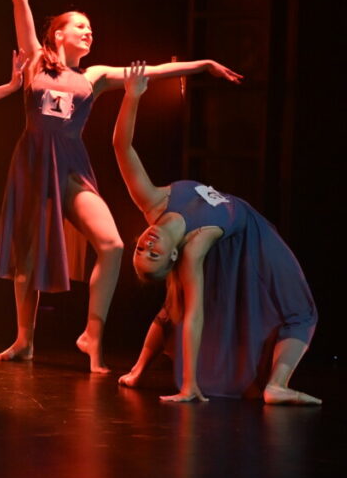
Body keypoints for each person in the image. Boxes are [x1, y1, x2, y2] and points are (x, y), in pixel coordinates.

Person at [0, 0, 243, 373]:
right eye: (80, 26)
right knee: (27, 256)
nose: (89, 32)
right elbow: (20, 1)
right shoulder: (35, 64)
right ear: (58, 34)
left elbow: (152, 72)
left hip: (70, 167)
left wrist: (201, 64)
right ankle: (24, 340)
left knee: (112, 243)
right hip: (32, 163)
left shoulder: (95, 76)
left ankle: (92, 335)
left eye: (91, 28)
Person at [112, 63, 319, 404]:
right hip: (253, 238)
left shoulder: (152, 201)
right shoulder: (194, 248)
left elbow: (122, 147)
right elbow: (195, 315)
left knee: (172, 306)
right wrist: (188, 386)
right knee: (299, 308)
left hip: (237, 238)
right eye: (154, 255)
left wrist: (132, 96)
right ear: (173, 255)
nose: (147, 246)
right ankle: (277, 386)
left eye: (140, 251)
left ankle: (136, 371)